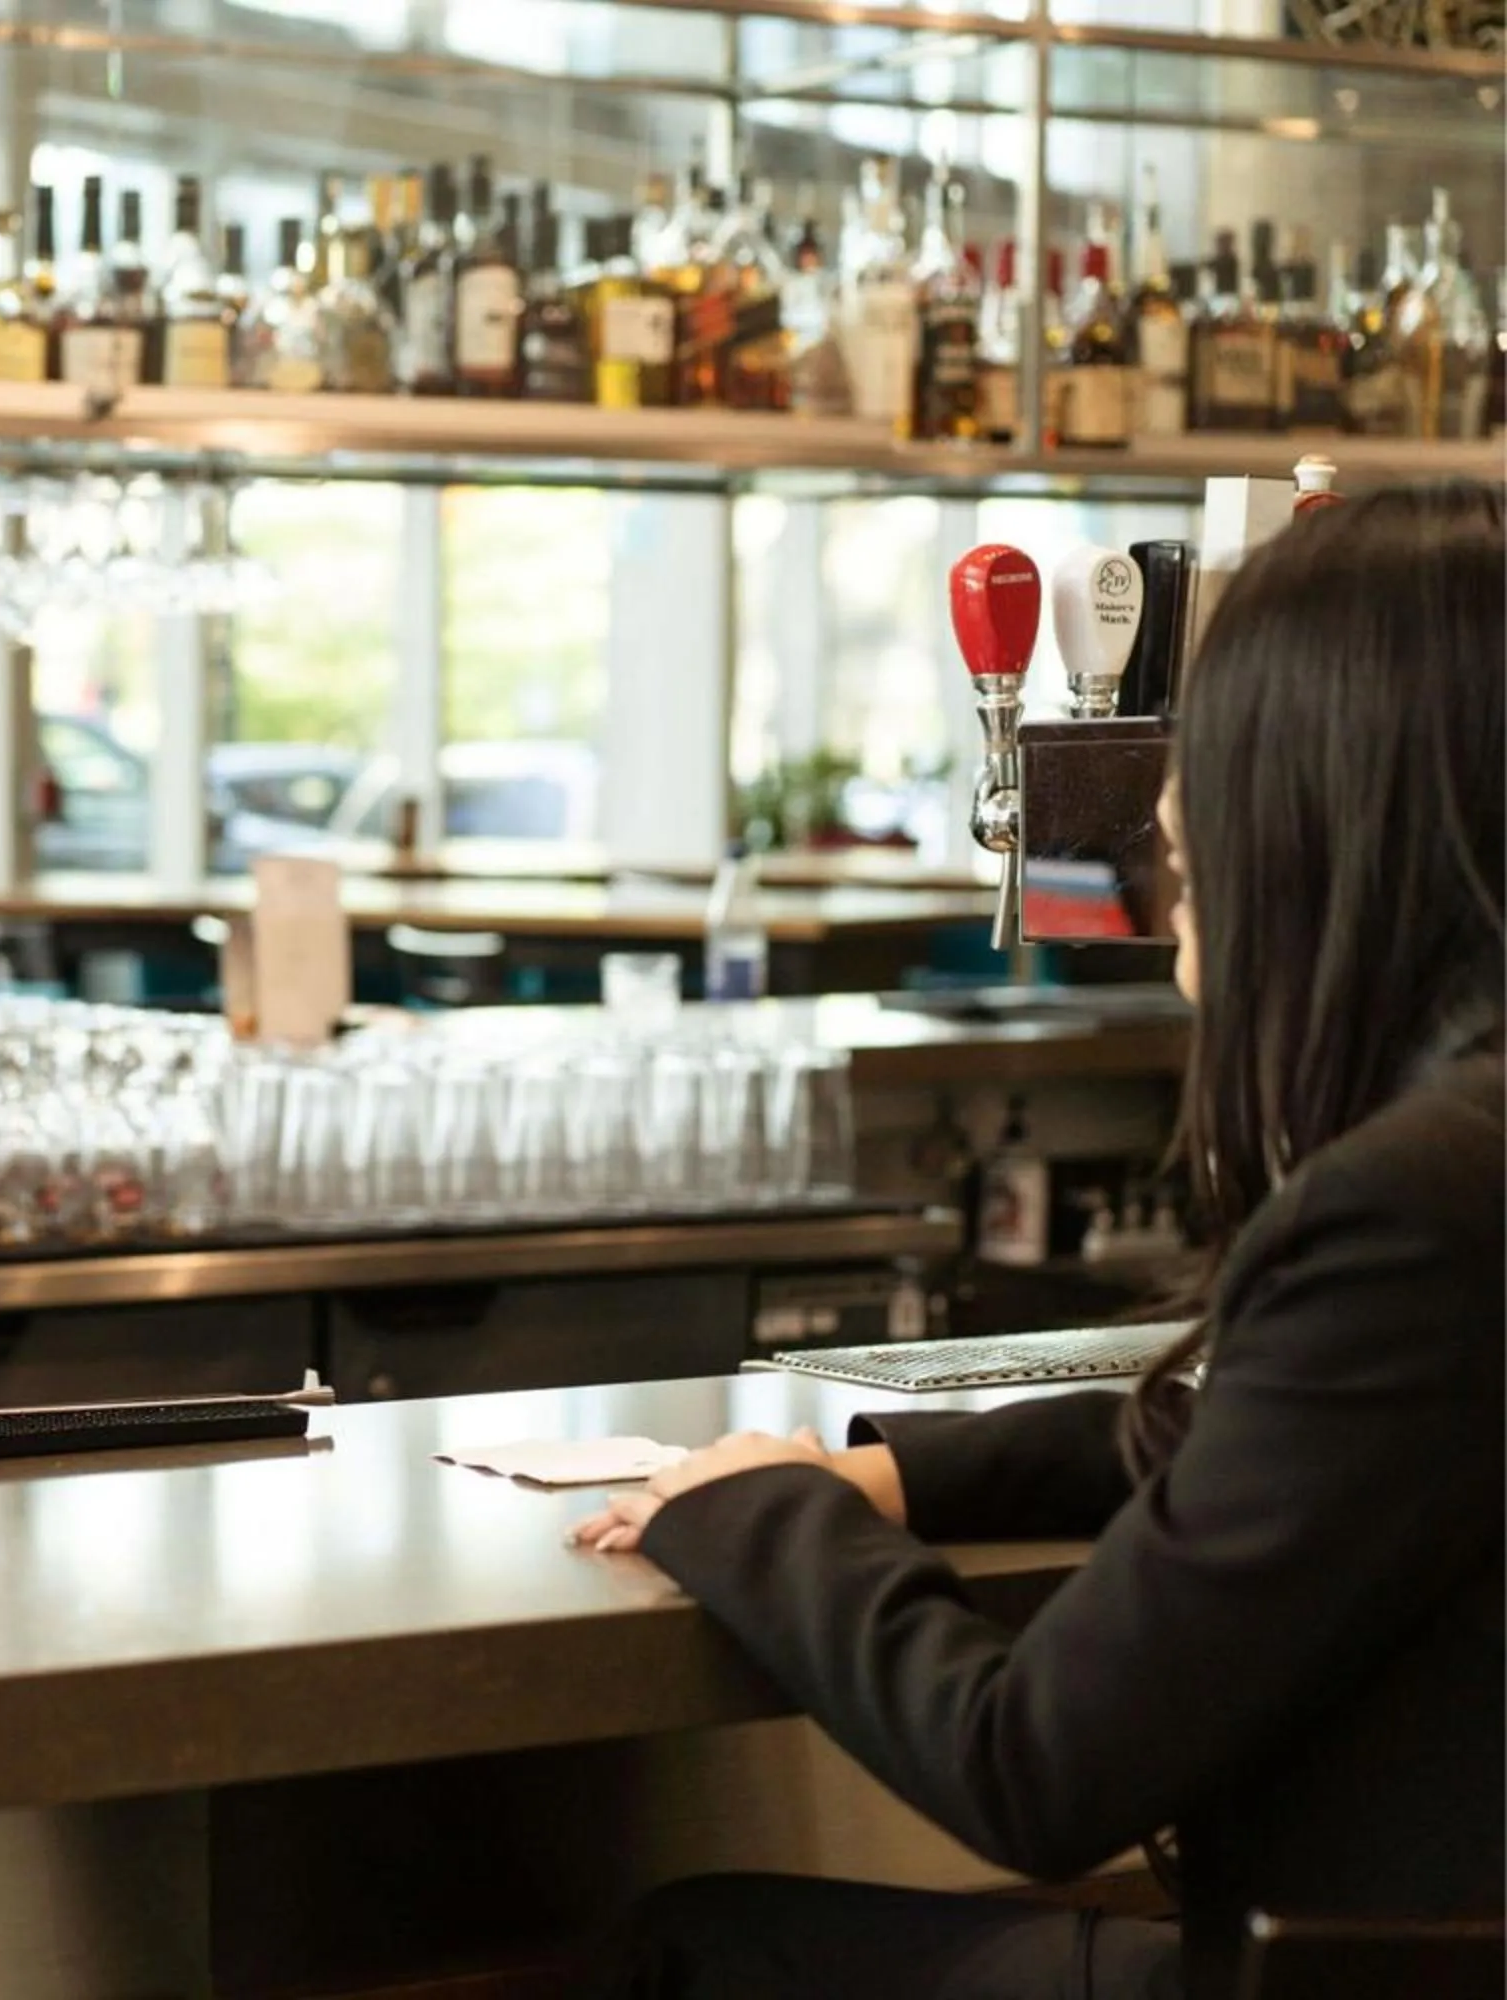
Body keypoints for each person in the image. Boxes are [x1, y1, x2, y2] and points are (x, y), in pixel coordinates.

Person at [568, 483, 1504, 1999]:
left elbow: (1035, 1770)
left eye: (1213, 734)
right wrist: (896, 1468)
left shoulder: (1416, 1203)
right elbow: (1288, 1440)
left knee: (688, 1949)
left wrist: (747, 1515)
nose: (1168, 804)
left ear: (1333, 791)